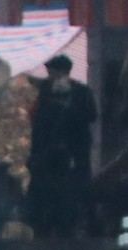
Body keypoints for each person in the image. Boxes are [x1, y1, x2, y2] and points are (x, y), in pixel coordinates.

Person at [26, 53, 97, 239]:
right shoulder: (46, 92)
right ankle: (47, 225)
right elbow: (38, 123)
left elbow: (90, 115)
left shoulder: (81, 92)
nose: (51, 76)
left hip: (75, 152)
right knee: (47, 190)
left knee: (75, 189)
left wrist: (69, 112)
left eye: (54, 72)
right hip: (49, 154)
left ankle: (75, 225)